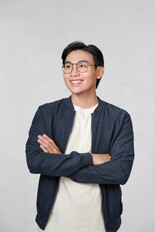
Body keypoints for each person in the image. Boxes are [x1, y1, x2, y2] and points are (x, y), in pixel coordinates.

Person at [25, 41, 134, 232]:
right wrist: (89, 158)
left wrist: (60, 161)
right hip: (54, 221)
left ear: (99, 72)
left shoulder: (119, 118)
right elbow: (35, 162)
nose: (73, 73)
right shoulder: (47, 113)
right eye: (68, 66)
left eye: (82, 66)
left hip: (101, 222)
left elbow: (120, 172)